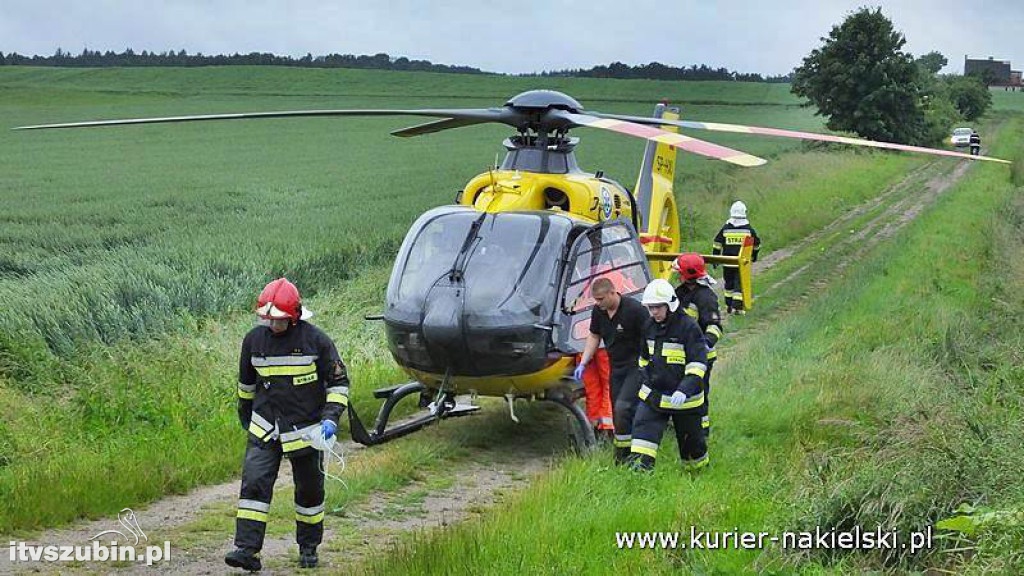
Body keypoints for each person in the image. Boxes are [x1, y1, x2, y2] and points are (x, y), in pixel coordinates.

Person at [225, 278, 350, 571]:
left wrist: (331, 418)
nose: (273, 325)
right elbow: (246, 385)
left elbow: (339, 383)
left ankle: (308, 547)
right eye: (268, 319)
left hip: (306, 431)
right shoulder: (254, 341)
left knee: (309, 492)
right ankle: (247, 551)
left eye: (279, 320)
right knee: (254, 485)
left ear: (294, 316)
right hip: (265, 428)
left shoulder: (316, 341)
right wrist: (246, 414)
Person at [628, 279, 709, 472]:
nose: (653, 312)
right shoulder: (648, 326)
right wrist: (644, 382)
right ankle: (639, 480)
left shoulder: (688, 328)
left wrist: (684, 390)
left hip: (685, 401)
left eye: (657, 307)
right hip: (654, 397)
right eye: (650, 308)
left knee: (693, 452)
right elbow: (644, 359)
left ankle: (697, 478)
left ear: (670, 305)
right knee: (641, 444)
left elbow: (697, 365)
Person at [574, 277, 649, 463]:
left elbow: (651, 336)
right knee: (617, 413)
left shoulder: (634, 310)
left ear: (612, 293)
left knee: (624, 407)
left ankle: (636, 453)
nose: (598, 303)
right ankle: (622, 456)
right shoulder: (599, 312)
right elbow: (594, 335)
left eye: (601, 299)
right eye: (595, 300)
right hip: (616, 366)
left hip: (635, 365)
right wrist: (584, 361)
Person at [673, 253, 723, 438]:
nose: (677, 275)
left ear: (687, 274)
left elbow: (714, 327)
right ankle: (684, 426)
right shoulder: (681, 292)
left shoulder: (706, 296)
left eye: (680, 272)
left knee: (699, 392)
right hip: (680, 354)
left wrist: (703, 345)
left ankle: (702, 431)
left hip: (701, 357)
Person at [712, 200, 761, 314]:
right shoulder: (748, 230)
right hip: (741, 263)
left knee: (728, 285)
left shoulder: (726, 228)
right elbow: (757, 244)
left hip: (727, 262)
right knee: (739, 285)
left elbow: (717, 243)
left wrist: (716, 258)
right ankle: (738, 308)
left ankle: (729, 306)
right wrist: (754, 256)